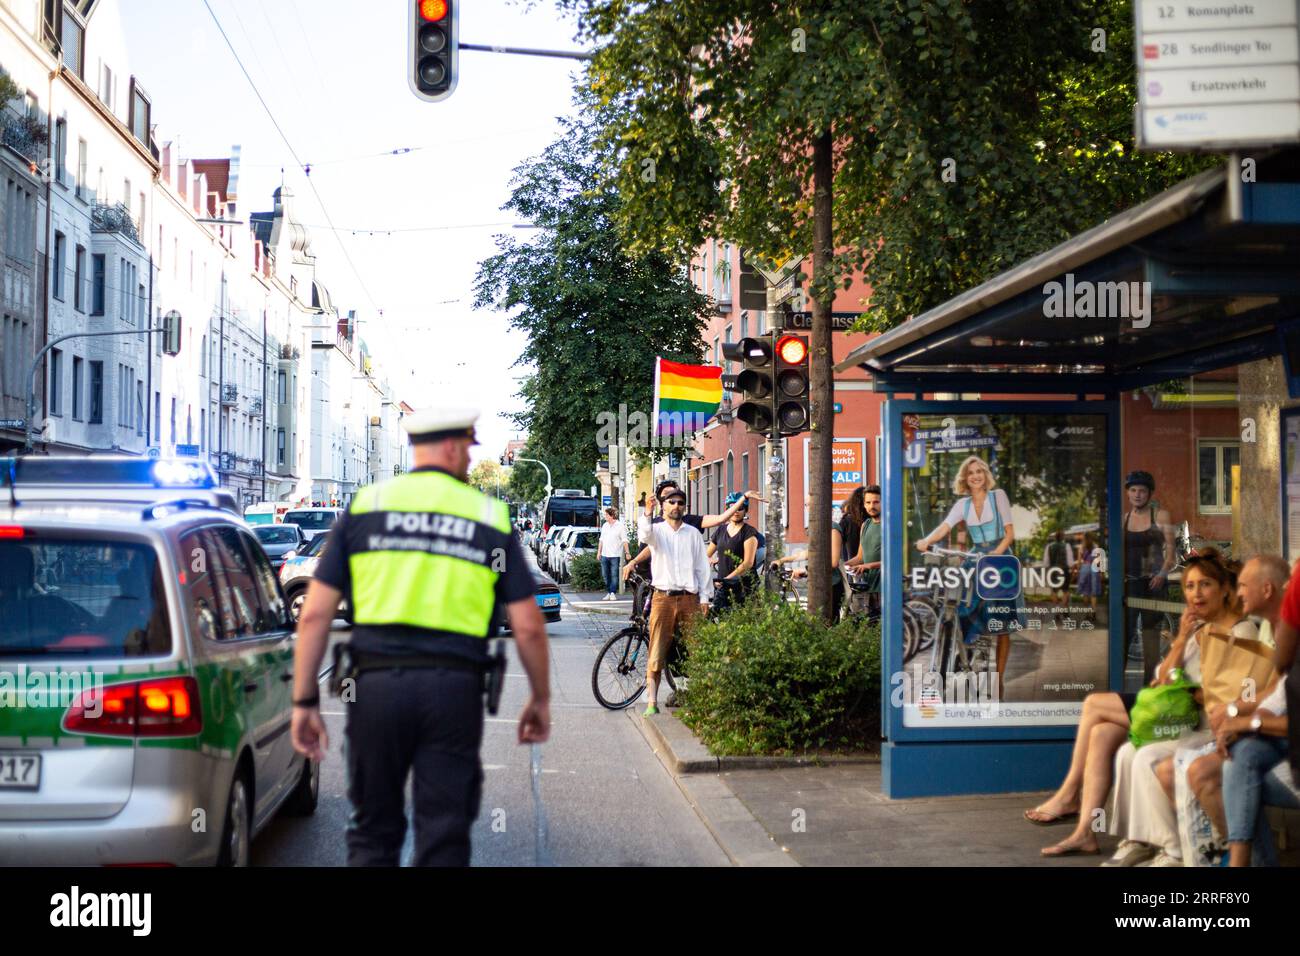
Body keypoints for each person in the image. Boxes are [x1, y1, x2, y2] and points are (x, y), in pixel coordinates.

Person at [289, 408, 551, 867]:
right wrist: (540, 699)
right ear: (451, 447)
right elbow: (527, 623)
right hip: (453, 692)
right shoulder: (488, 515)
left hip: (374, 691)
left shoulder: (366, 508)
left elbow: (313, 616)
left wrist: (305, 701)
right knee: (444, 834)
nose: (469, 461)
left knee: (372, 831)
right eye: (468, 450)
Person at [1032, 549, 1247, 861]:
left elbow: (1217, 689)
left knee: (1097, 708)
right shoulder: (1197, 628)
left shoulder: (1236, 632)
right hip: (1172, 713)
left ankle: (1072, 798)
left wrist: (1188, 686)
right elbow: (1161, 678)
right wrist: (1182, 638)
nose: (1195, 594)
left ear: (1225, 589)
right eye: (1189, 586)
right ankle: (1100, 833)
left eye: (1205, 585)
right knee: (1104, 735)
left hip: (1194, 721)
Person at [1192, 555, 1294, 866]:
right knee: (1239, 756)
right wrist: (1235, 715)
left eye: (1243, 586)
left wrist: (1245, 722)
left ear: (1266, 590)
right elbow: (1279, 695)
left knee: (1238, 767)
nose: (1238, 593)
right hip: (1281, 741)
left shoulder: (1273, 633)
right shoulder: (1276, 631)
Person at [913, 456, 1018, 681]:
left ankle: (998, 679)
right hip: (976, 557)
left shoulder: (998, 496)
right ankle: (966, 654)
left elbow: (1010, 534)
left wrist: (995, 554)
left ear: (985, 475)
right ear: (965, 478)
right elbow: (944, 527)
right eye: (971, 473)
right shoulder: (963, 505)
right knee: (964, 607)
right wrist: (926, 541)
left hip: (998, 560)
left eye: (979, 471)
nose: (976, 476)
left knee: (1002, 622)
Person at [636, 486, 713, 716]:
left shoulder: (693, 533)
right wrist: (647, 513)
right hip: (663, 598)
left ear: (684, 507)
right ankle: (652, 702)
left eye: (680, 503)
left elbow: (702, 567)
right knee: (657, 649)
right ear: (663, 506)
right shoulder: (656, 531)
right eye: (671, 502)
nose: (676, 506)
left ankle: (697, 698)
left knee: (696, 648)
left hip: (690, 598)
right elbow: (644, 535)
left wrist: (705, 596)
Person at [621, 479, 761, 582]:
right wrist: (633, 561)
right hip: (652, 575)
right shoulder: (656, 525)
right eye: (669, 497)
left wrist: (744, 498)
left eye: (679, 501)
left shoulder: (690, 524)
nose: (675, 503)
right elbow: (648, 544)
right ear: (661, 502)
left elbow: (720, 519)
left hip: (683, 582)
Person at [1122, 470, 1176, 682]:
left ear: (1149, 494)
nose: (1137, 495)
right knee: (1123, 637)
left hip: (1154, 585)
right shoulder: (1124, 519)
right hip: (1131, 584)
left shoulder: (1161, 516)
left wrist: (1162, 573)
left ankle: (1148, 687)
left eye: (1142, 491)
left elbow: (1171, 552)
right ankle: (1118, 684)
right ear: (1127, 493)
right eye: (1133, 490)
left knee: (1151, 640)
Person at [707, 492, 760, 614]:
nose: (736, 511)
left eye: (740, 508)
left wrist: (727, 579)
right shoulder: (720, 530)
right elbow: (706, 554)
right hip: (723, 587)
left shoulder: (749, 532)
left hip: (743, 587)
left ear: (745, 510)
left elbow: (748, 563)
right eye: (732, 507)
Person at [847, 485, 882, 616]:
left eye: (876, 502)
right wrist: (846, 565)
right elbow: (860, 557)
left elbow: (895, 560)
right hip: (868, 587)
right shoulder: (865, 525)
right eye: (868, 502)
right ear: (864, 504)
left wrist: (868, 565)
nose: (871, 506)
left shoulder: (890, 525)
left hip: (884, 588)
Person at [598, 507, 630, 601]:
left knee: (614, 575)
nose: (605, 516)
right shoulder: (605, 526)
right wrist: (599, 552)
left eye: (607, 515)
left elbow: (624, 540)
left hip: (615, 555)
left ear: (611, 516)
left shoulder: (620, 526)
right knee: (605, 575)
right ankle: (609, 592)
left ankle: (612, 592)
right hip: (605, 554)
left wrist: (627, 552)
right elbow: (601, 540)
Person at [1043, 530, 1074, 613]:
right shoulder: (1067, 546)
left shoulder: (1049, 546)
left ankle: (1057, 611)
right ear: (1063, 537)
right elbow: (1070, 563)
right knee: (1065, 591)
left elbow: (1046, 563)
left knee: (1054, 591)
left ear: (1055, 538)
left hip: (1053, 571)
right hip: (1064, 570)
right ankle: (1064, 609)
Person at [1074, 531, 1104, 615]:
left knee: (1085, 592)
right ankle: (1093, 611)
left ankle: (1087, 613)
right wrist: (1101, 572)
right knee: (1093, 593)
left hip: (1085, 568)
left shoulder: (1081, 547)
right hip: (1094, 569)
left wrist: (1078, 571)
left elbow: (1079, 562)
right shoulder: (1096, 546)